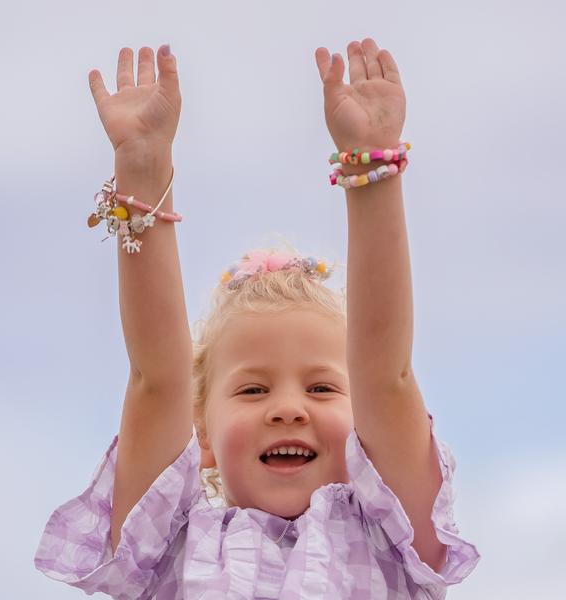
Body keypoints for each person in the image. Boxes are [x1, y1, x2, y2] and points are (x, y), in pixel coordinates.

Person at [34, 38, 480, 599]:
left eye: (322, 387)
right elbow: (158, 379)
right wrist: (142, 170)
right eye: (251, 390)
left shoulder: (396, 538)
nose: (288, 409)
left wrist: (375, 166)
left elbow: (386, 375)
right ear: (203, 436)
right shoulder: (167, 549)